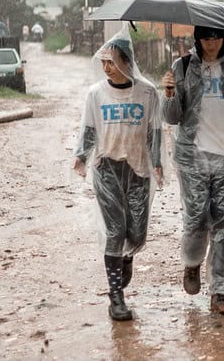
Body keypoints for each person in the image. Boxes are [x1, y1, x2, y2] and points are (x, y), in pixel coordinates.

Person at [161, 25, 224, 315]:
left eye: (216, 37)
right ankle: (192, 263)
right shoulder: (183, 66)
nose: (212, 43)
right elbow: (172, 117)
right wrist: (169, 93)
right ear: (198, 39)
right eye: (206, 38)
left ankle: (220, 290)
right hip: (193, 157)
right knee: (196, 219)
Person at [73, 28, 163, 321]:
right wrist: (81, 157)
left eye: (111, 61)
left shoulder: (147, 92)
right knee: (115, 231)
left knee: (135, 233)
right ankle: (116, 298)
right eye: (104, 62)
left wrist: (158, 163)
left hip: (138, 169)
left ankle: (125, 258)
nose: (106, 66)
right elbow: (89, 128)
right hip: (107, 167)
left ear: (127, 61)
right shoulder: (96, 94)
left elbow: (154, 131)